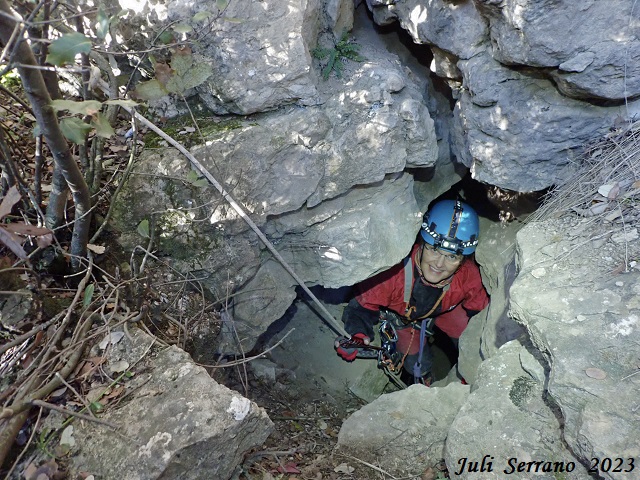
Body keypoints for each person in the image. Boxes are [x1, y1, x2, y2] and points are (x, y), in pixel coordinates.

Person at [334, 199, 489, 386]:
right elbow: (361, 307)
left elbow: (482, 319)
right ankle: (424, 381)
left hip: (446, 308)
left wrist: (472, 365)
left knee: (468, 333)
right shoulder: (392, 273)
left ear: (462, 259)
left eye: (452, 257)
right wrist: (357, 335)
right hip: (405, 316)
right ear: (422, 243)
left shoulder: (468, 277)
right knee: (416, 363)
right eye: (434, 249)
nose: (439, 264)